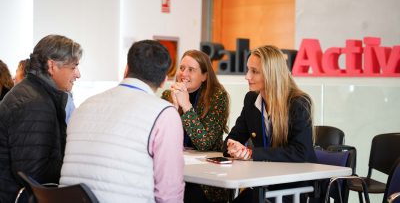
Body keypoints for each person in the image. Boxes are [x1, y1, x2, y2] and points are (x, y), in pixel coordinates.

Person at [60, 40, 185, 203]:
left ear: (126, 70)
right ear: (163, 81)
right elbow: (169, 194)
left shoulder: (86, 105)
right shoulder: (164, 114)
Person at [223, 45, 316, 203]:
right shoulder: (251, 100)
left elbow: (301, 152)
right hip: (264, 183)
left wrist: (252, 153)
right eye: (248, 70)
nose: (247, 76)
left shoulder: (298, 103)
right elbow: (233, 137)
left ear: (272, 74)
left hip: (294, 186)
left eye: (254, 71)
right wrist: (233, 147)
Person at [0, 35, 82, 203]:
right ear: (52, 66)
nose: (78, 74)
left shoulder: (34, 93)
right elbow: (33, 172)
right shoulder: (34, 103)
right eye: (74, 67)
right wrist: (77, 166)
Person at [161, 49, 230, 203]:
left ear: (205, 76)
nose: (183, 74)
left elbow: (204, 143)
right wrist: (172, 108)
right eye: (182, 68)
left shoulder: (217, 97)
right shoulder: (168, 95)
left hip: (206, 178)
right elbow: (162, 137)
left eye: (191, 70)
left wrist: (186, 105)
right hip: (177, 167)